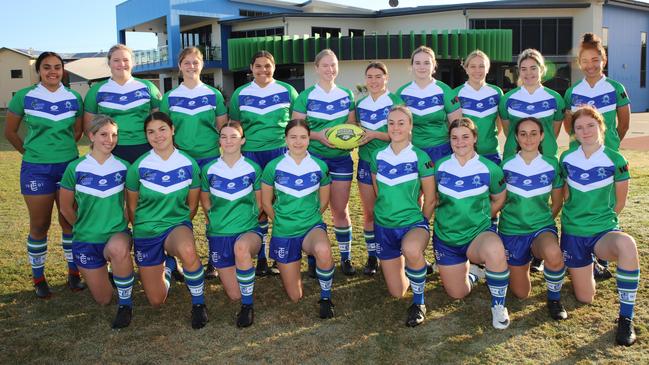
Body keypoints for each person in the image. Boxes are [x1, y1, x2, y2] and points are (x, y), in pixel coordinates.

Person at [4, 51, 85, 298]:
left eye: (57, 67)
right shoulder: (24, 97)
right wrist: (33, 154)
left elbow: (77, 132)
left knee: (69, 220)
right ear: (38, 70)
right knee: (40, 224)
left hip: (67, 167)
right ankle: (39, 278)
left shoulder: (73, 97)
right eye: (47, 67)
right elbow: (11, 132)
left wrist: (60, 152)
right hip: (36, 168)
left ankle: (74, 273)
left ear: (63, 70)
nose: (53, 71)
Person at [560, 106, 640, 346]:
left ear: (601, 127)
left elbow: (620, 202)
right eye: (579, 127)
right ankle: (591, 266)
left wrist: (600, 223)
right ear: (573, 132)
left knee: (627, 245)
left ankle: (626, 318)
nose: (585, 131)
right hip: (573, 233)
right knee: (585, 298)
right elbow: (564, 196)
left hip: (602, 232)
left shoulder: (616, 159)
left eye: (590, 125)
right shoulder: (566, 158)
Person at [125, 111, 208, 329]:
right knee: (156, 300)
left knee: (188, 249)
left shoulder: (189, 163)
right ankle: (169, 265)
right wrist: (142, 228)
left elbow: (192, 205)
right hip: (146, 230)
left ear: (172, 130)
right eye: (151, 132)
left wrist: (180, 223)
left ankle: (199, 304)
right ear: (146, 136)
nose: (157, 135)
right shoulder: (138, 167)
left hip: (175, 225)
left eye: (162, 129)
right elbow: (132, 207)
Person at [563, 32, 631, 280]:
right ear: (578, 63)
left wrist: (611, 146)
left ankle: (601, 255)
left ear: (604, 60)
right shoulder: (572, 92)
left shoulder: (615, 88)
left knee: (609, 200)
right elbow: (571, 128)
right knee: (579, 200)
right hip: (579, 155)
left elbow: (623, 124)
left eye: (595, 60)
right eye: (585, 60)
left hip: (606, 154)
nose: (590, 65)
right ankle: (582, 253)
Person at [432, 118, 511, 329]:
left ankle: (498, 305)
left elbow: (500, 198)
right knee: (457, 294)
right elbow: (434, 199)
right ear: (449, 140)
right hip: (447, 239)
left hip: (477, 236)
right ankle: (474, 274)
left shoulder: (490, 169)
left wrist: (485, 217)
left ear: (475, 138)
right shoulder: (439, 167)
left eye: (465, 137)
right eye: (454, 138)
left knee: (495, 248)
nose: (460, 142)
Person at [59, 115, 134, 328]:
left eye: (114, 135)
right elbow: (65, 207)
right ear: (91, 136)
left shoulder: (124, 167)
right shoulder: (75, 168)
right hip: (86, 239)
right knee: (103, 299)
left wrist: (122, 224)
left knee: (119, 248)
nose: (109, 139)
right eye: (103, 134)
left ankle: (126, 304)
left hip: (116, 234)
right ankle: (113, 274)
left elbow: (131, 205)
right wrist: (83, 227)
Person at [160, 46, 228, 279]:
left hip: (209, 159)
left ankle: (215, 261)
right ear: (179, 66)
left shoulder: (213, 95)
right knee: (178, 212)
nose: (191, 66)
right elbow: (164, 132)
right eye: (186, 62)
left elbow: (222, 129)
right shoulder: (169, 97)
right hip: (180, 162)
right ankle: (173, 262)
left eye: (195, 62)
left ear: (202, 65)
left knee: (212, 212)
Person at [230, 50, 299, 277]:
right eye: (258, 66)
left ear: (274, 67)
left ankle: (279, 256)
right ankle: (260, 258)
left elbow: (297, 125)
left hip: (280, 152)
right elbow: (235, 126)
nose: (263, 70)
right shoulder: (240, 93)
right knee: (257, 205)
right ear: (251, 69)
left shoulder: (287, 90)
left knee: (280, 204)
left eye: (267, 65)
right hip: (251, 154)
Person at [261, 119, 336, 319]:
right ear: (285, 139)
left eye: (303, 137)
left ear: (309, 139)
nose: (298, 141)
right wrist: (281, 221)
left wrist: (310, 219)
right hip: (284, 229)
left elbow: (324, 201)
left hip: (311, 226)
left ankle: (326, 297)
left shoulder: (320, 166)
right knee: (295, 296)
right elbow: (266, 203)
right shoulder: (273, 166)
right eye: (293, 137)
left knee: (323, 249)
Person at [292, 49, 357, 276]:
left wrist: (345, 142)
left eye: (334, 65)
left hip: (340, 160)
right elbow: (297, 131)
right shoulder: (306, 96)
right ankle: (312, 258)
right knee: (313, 210)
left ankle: (346, 257)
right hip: (313, 160)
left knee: (340, 209)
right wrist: (320, 136)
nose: (330, 70)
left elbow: (351, 128)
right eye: (325, 65)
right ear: (316, 68)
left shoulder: (347, 94)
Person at [370, 106, 435, 326]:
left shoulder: (420, 156)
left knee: (411, 248)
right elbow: (379, 191)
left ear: (410, 126)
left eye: (401, 123)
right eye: (391, 123)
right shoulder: (376, 155)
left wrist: (422, 223)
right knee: (397, 292)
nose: (396, 127)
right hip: (384, 226)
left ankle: (419, 302)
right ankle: (415, 266)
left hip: (412, 224)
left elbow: (431, 197)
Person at [499, 117, 567, 320]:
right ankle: (524, 260)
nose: (528, 138)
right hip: (511, 230)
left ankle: (554, 298)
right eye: (523, 134)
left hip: (540, 228)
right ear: (516, 137)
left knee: (554, 253)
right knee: (521, 293)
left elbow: (556, 202)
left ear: (542, 136)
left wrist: (543, 222)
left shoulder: (552, 164)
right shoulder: (505, 165)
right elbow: (497, 200)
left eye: (534, 133)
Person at [200, 121, 263, 327]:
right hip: (219, 233)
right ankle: (242, 280)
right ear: (219, 140)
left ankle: (248, 307)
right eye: (224, 136)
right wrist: (214, 220)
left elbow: (260, 202)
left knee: (241, 248)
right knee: (234, 294)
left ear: (242, 140)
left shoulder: (252, 168)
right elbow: (205, 200)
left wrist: (248, 219)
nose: (228, 141)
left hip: (247, 231)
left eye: (234, 136)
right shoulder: (209, 169)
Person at [355, 62, 403, 275]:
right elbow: (356, 133)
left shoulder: (396, 102)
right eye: (370, 77)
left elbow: (401, 134)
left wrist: (374, 134)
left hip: (391, 164)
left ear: (387, 78)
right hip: (366, 161)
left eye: (378, 76)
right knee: (370, 213)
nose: (374, 81)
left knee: (393, 211)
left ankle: (396, 254)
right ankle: (373, 256)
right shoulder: (361, 104)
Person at [85, 44, 162, 164]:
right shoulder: (96, 91)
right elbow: (88, 127)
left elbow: (160, 122)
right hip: (110, 149)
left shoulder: (149, 87)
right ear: (109, 63)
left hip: (145, 147)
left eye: (126, 60)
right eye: (116, 60)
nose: (121, 64)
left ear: (133, 63)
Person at [396, 45, 462, 165]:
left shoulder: (445, 90)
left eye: (426, 63)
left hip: (441, 150)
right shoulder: (402, 93)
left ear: (434, 66)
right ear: (412, 66)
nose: (422, 67)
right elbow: (396, 126)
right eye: (417, 63)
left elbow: (457, 125)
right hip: (412, 150)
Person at [499, 48, 565, 159]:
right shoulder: (507, 99)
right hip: (514, 158)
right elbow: (508, 131)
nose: (528, 73)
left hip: (546, 157)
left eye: (533, 68)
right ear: (519, 71)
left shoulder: (556, 99)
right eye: (523, 69)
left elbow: (553, 132)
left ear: (542, 69)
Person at [454, 50, 504, 165]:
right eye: (472, 66)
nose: (477, 70)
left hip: (491, 153)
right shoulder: (457, 93)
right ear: (466, 69)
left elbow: (499, 124)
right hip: (466, 154)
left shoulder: (496, 92)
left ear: (487, 68)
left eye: (481, 66)